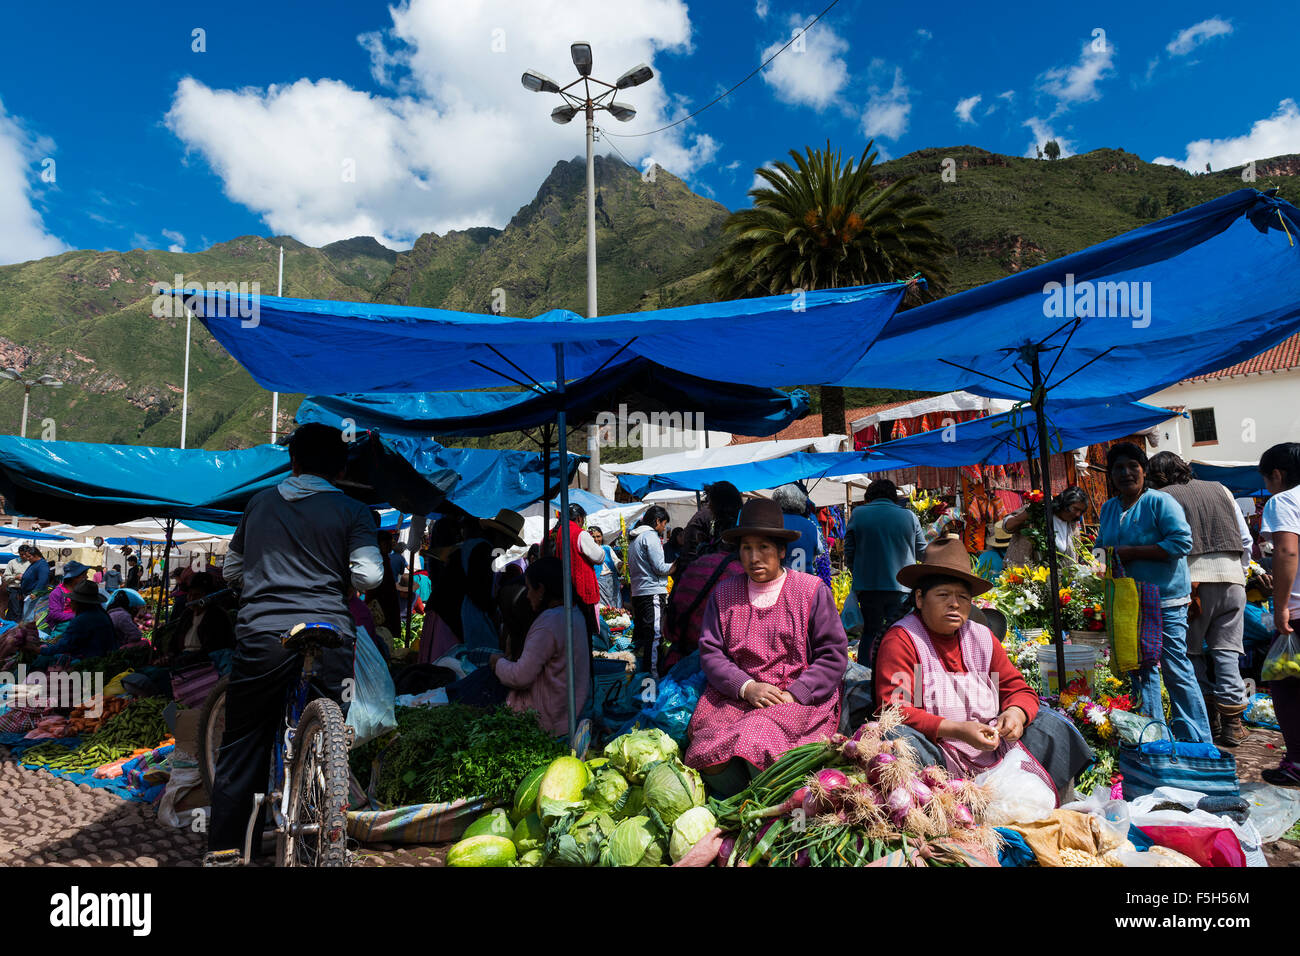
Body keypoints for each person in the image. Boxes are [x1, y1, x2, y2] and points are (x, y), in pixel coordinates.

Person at [205, 424, 384, 866]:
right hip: (329, 634)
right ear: (340, 468)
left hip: (262, 634)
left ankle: (226, 851)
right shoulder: (353, 510)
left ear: (294, 461)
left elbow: (231, 571)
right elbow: (370, 577)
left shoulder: (258, 504)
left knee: (244, 743)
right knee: (326, 746)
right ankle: (315, 844)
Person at [873, 537, 1092, 798]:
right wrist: (957, 730)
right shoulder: (903, 640)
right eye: (943, 595)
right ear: (920, 598)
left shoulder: (981, 638)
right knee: (898, 742)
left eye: (963, 597)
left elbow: (1019, 690)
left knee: (1052, 725)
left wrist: (1015, 715)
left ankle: (1052, 805)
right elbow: (895, 710)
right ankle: (943, 810)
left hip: (993, 748)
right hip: (937, 755)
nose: (954, 604)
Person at [684, 498, 847, 794]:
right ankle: (739, 802)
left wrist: (797, 693)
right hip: (736, 696)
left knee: (755, 736)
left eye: (764, 548)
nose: (754, 557)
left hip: (795, 697)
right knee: (707, 749)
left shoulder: (810, 591)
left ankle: (767, 805)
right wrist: (746, 687)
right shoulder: (725, 593)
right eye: (747, 548)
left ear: (781, 551)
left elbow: (833, 653)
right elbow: (711, 652)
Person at [1097, 442, 1211, 742]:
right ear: (1110, 474)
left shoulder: (1159, 502)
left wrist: (1132, 552)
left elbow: (1180, 543)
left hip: (1166, 600)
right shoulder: (1109, 508)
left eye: (1132, 467)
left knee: (1175, 667)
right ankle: (1153, 738)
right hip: (1127, 601)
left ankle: (1196, 739)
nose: (1125, 473)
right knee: (1140, 668)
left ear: (1143, 470)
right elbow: (1102, 546)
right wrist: (1098, 560)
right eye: (1118, 468)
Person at [1148, 451, 1255, 747]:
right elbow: (1246, 539)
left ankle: (1208, 718)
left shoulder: (1161, 497)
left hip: (1191, 584)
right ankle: (1233, 724)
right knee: (1227, 652)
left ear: (1155, 476)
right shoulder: (1221, 488)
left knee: (1191, 654)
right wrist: (1240, 572)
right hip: (1233, 579)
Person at [488, 557, 591, 737]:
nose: (527, 596)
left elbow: (520, 676)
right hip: (567, 714)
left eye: (529, 589)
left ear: (541, 589)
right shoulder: (574, 612)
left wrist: (498, 663)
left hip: (545, 721)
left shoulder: (550, 622)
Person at [661, 488, 745, 673]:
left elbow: (669, 627)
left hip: (680, 664)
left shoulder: (697, 566)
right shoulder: (738, 575)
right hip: (709, 671)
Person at [844, 479, 926, 662]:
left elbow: (849, 552)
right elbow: (923, 551)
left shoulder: (858, 514)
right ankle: (897, 671)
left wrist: (859, 572)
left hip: (868, 587)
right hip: (902, 588)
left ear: (869, 497)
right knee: (899, 632)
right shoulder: (909, 517)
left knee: (870, 632)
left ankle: (865, 677)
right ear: (893, 497)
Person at [1259, 442, 1300, 786]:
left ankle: (1298, 762)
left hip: (1299, 608)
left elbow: (1286, 550)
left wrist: (1282, 606)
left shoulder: (1284, 500)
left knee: (1286, 686)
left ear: (1277, 474)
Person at [628, 505, 672, 674]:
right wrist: (677, 565)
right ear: (657, 521)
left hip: (639, 593)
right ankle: (651, 680)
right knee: (654, 637)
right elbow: (661, 567)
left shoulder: (635, 538)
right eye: (663, 524)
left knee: (641, 638)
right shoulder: (650, 536)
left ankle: (638, 678)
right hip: (652, 592)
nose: (663, 528)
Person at [999, 485, 1089, 568]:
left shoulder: (1072, 528)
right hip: (1024, 573)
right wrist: (1030, 511)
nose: (1078, 514)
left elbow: (1074, 556)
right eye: (1075, 508)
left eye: (1081, 511)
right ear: (1064, 503)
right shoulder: (1039, 510)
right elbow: (1007, 526)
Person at [549, 503, 604, 639]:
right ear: (579, 518)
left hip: (561, 591)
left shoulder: (554, 533)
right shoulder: (579, 533)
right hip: (581, 592)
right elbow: (599, 556)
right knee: (584, 634)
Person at [36, 580, 118, 663]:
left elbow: (64, 646)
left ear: (78, 602)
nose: (70, 603)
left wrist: (40, 650)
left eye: (72, 600)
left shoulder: (81, 620)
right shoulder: (101, 614)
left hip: (90, 661)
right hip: (104, 658)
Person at [162, 571, 235, 662]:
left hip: (203, 663)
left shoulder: (217, 615)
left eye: (197, 595)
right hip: (183, 659)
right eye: (190, 595)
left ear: (207, 596)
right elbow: (175, 641)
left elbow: (214, 648)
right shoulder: (187, 614)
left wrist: (186, 659)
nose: (192, 598)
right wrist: (169, 656)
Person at [679, 482, 743, 568]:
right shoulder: (731, 521)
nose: (709, 506)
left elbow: (722, 554)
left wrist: (703, 544)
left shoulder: (731, 526)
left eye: (711, 502)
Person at [772, 483, 823, 576]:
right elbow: (819, 550)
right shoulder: (811, 526)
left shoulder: (773, 523)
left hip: (779, 582)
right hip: (806, 582)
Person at [46, 560, 91, 634]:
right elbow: (54, 614)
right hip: (63, 628)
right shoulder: (57, 593)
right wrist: (77, 616)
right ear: (75, 577)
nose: (87, 577)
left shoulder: (81, 591)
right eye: (84, 575)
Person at [589, 525, 623, 609]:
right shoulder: (588, 551)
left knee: (616, 606)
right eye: (593, 537)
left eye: (598, 536)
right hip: (598, 582)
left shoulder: (607, 549)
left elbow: (616, 562)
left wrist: (620, 564)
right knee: (603, 608)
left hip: (612, 581)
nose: (596, 539)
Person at [4, 546, 29, 620]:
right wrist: (15, 577)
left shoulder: (31, 563)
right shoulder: (12, 563)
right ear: (19, 553)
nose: (23, 556)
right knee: (15, 611)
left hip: (27, 590)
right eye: (21, 554)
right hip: (14, 590)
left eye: (25, 554)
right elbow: (5, 578)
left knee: (25, 611)